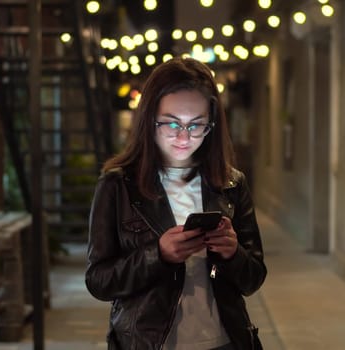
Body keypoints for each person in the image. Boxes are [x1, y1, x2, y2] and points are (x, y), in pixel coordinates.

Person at [85, 57, 266, 350]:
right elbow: (99, 281)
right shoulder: (117, 185)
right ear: (149, 119)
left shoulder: (231, 184)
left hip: (224, 342)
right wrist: (158, 255)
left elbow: (254, 278)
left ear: (212, 125)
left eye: (197, 125)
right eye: (171, 123)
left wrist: (233, 253)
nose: (184, 137)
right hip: (148, 343)